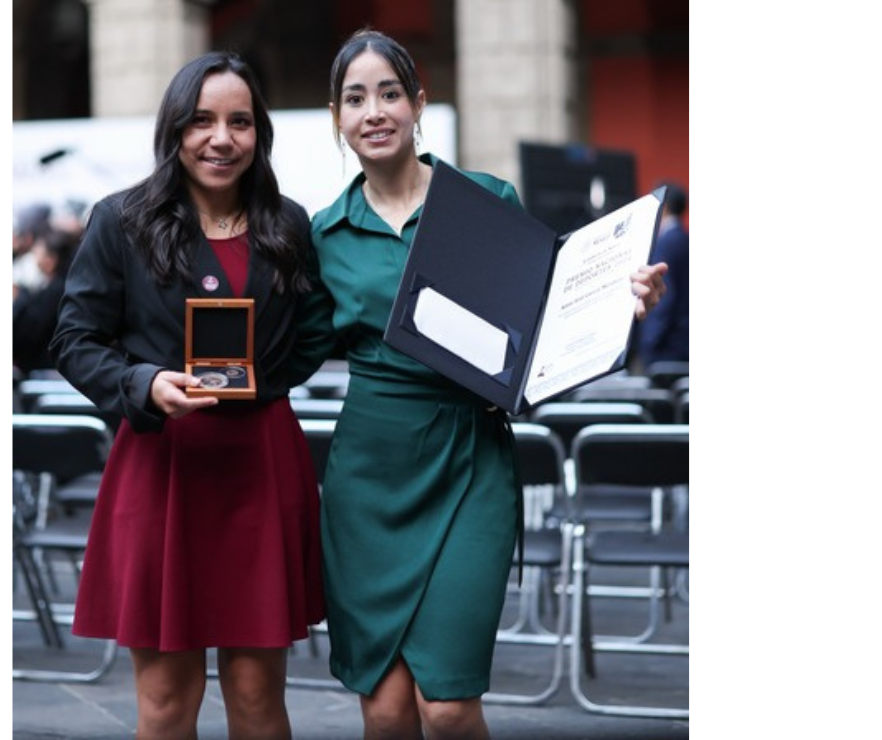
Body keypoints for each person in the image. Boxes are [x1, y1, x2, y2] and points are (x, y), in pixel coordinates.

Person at [306, 29, 668, 738]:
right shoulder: (323, 235)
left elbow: (545, 323)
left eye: (388, 93)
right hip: (369, 479)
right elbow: (293, 346)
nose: (373, 111)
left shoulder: (485, 198)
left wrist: (618, 302)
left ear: (418, 103)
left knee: (445, 706)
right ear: (337, 118)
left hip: (470, 464)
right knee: (383, 709)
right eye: (355, 99)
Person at [48, 51, 331, 740]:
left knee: (259, 699)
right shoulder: (121, 220)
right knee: (166, 703)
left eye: (239, 122)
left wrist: (262, 382)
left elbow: (319, 330)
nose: (221, 138)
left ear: (259, 134)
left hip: (258, 464)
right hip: (162, 462)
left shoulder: (289, 224)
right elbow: (74, 339)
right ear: (175, 129)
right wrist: (143, 383)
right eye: (201, 120)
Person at [13, 227, 79, 375]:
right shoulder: (63, 286)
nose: (34, 254)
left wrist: (20, 298)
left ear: (51, 260)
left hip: (45, 372)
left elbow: (27, 335)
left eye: (38, 251)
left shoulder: (55, 291)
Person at [637, 179, 689, 367]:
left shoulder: (665, 243)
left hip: (667, 348)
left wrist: (649, 341)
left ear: (663, 206)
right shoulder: (686, 239)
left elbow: (665, 297)